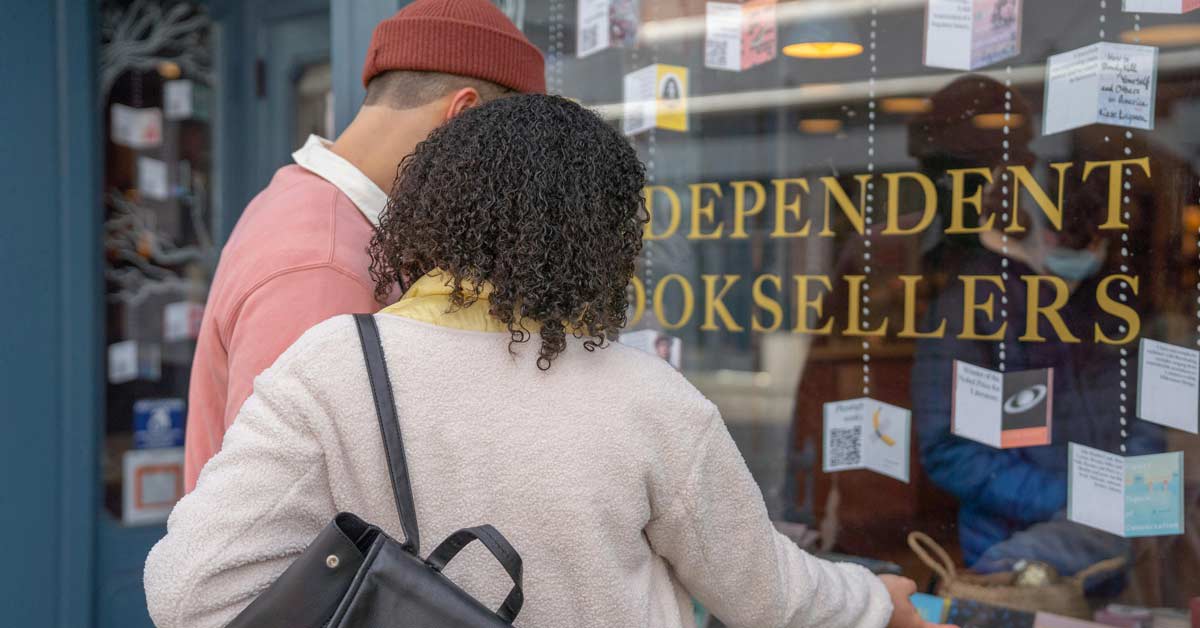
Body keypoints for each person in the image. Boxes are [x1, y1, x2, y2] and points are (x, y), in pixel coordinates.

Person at [146, 95, 950, 628]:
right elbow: (766, 597)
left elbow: (190, 591)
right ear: (603, 241)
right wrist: (876, 601)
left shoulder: (332, 364)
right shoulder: (649, 400)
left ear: (430, 210)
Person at [181, 0, 545, 491]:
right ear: (463, 115)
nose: (505, 182)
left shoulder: (314, 211)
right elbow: (284, 506)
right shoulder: (324, 260)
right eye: (509, 155)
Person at [909, 76, 1163, 581]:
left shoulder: (1105, 305)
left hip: (1116, 557)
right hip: (1018, 560)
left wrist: (1126, 495)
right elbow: (949, 449)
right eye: (1065, 228)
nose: (1082, 244)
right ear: (1023, 221)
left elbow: (1145, 418)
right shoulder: (970, 307)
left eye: (1090, 231)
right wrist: (1075, 502)